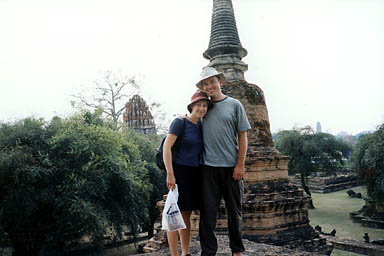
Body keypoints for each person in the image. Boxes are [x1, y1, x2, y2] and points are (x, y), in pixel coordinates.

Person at [196, 66, 251, 256]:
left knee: (234, 212)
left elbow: (242, 136)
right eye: (205, 84)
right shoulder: (204, 108)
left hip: (231, 168)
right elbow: (190, 123)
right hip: (208, 168)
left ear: (220, 82)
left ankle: (237, 250)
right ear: (203, 88)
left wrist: (240, 164)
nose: (209, 86)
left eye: (212, 81)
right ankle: (208, 252)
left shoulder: (235, 105)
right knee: (208, 214)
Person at [163, 90, 213, 256]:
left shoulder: (200, 126)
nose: (201, 108)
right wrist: (170, 173)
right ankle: (174, 254)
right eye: (198, 105)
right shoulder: (180, 122)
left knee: (186, 213)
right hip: (179, 171)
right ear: (191, 106)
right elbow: (166, 147)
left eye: (204, 105)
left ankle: (185, 252)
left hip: (194, 172)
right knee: (173, 213)